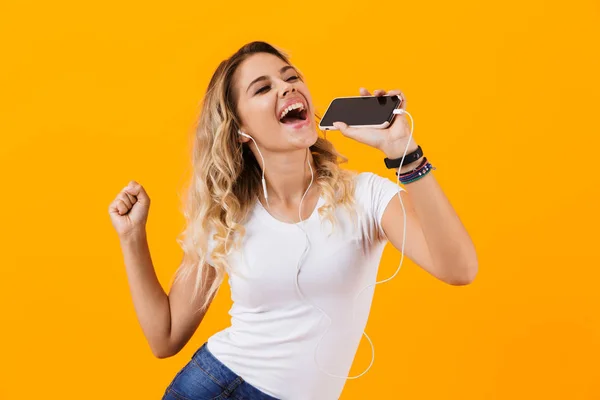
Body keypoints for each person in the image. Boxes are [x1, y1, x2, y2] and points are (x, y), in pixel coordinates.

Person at [108, 41, 478, 400]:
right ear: (239, 130)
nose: (287, 88)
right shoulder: (228, 216)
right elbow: (165, 336)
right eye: (263, 88)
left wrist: (405, 153)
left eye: (291, 78)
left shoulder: (367, 197)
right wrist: (131, 236)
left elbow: (459, 269)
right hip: (219, 388)